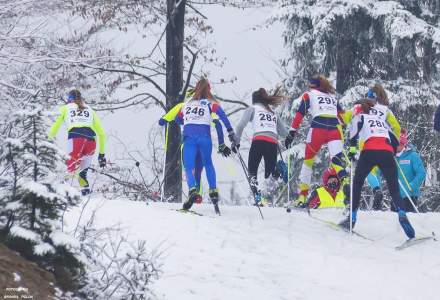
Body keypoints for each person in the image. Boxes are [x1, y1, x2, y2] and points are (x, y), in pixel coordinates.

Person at [340, 97, 415, 239]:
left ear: (360, 107)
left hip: (369, 150)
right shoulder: (381, 120)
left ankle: (353, 218)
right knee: (394, 189)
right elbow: (394, 138)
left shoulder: (360, 116)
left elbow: (353, 134)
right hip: (386, 151)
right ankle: (402, 213)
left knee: (357, 183)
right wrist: (392, 151)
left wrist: (351, 151)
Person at [284, 75, 349, 207]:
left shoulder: (309, 95)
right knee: (337, 162)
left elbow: (300, 114)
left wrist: (291, 132)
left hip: (318, 128)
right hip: (334, 129)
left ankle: (302, 197)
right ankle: (346, 184)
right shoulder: (332, 98)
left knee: (308, 162)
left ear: (313, 86)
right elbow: (344, 119)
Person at [174, 78, 237, 210]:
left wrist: (186, 122)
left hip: (189, 138)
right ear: (208, 89)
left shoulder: (186, 105)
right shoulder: (210, 103)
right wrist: (230, 131)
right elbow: (223, 117)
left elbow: (177, 118)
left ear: (196, 89)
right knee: (208, 164)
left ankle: (192, 190)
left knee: (189, 167)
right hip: (205, 138)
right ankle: (213, 191)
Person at [158, 90, 231, 203]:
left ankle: (193, 192)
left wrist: (165, 121)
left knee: (189, 168)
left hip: (189, 141)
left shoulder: (183, 105)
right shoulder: (206, 107)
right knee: (199, 170)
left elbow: (166, 119)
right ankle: (200, 195)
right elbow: (217, 124)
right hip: (203, 141)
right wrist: (221, 143)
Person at [234, 88, 288, 203]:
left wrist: (236, 142)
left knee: (252, 171)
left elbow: (240, 126)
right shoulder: (273, 113)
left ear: (254, 100)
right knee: (270, 174)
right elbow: (284, 133)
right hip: (272, 143)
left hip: (258, 141)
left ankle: (257, 196)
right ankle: (277, 170)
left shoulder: (252, 109)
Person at [48, 89, 106, 195]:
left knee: (71, 169)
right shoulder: (90, 109)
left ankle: (62, 194)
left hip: (76, 139)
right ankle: (86, 194)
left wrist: (48, 140)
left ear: (69, 99)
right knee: (82, 173)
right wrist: (101, 155)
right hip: (91, 142)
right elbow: (102, 134)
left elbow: (55, 127)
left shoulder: (65, 108)